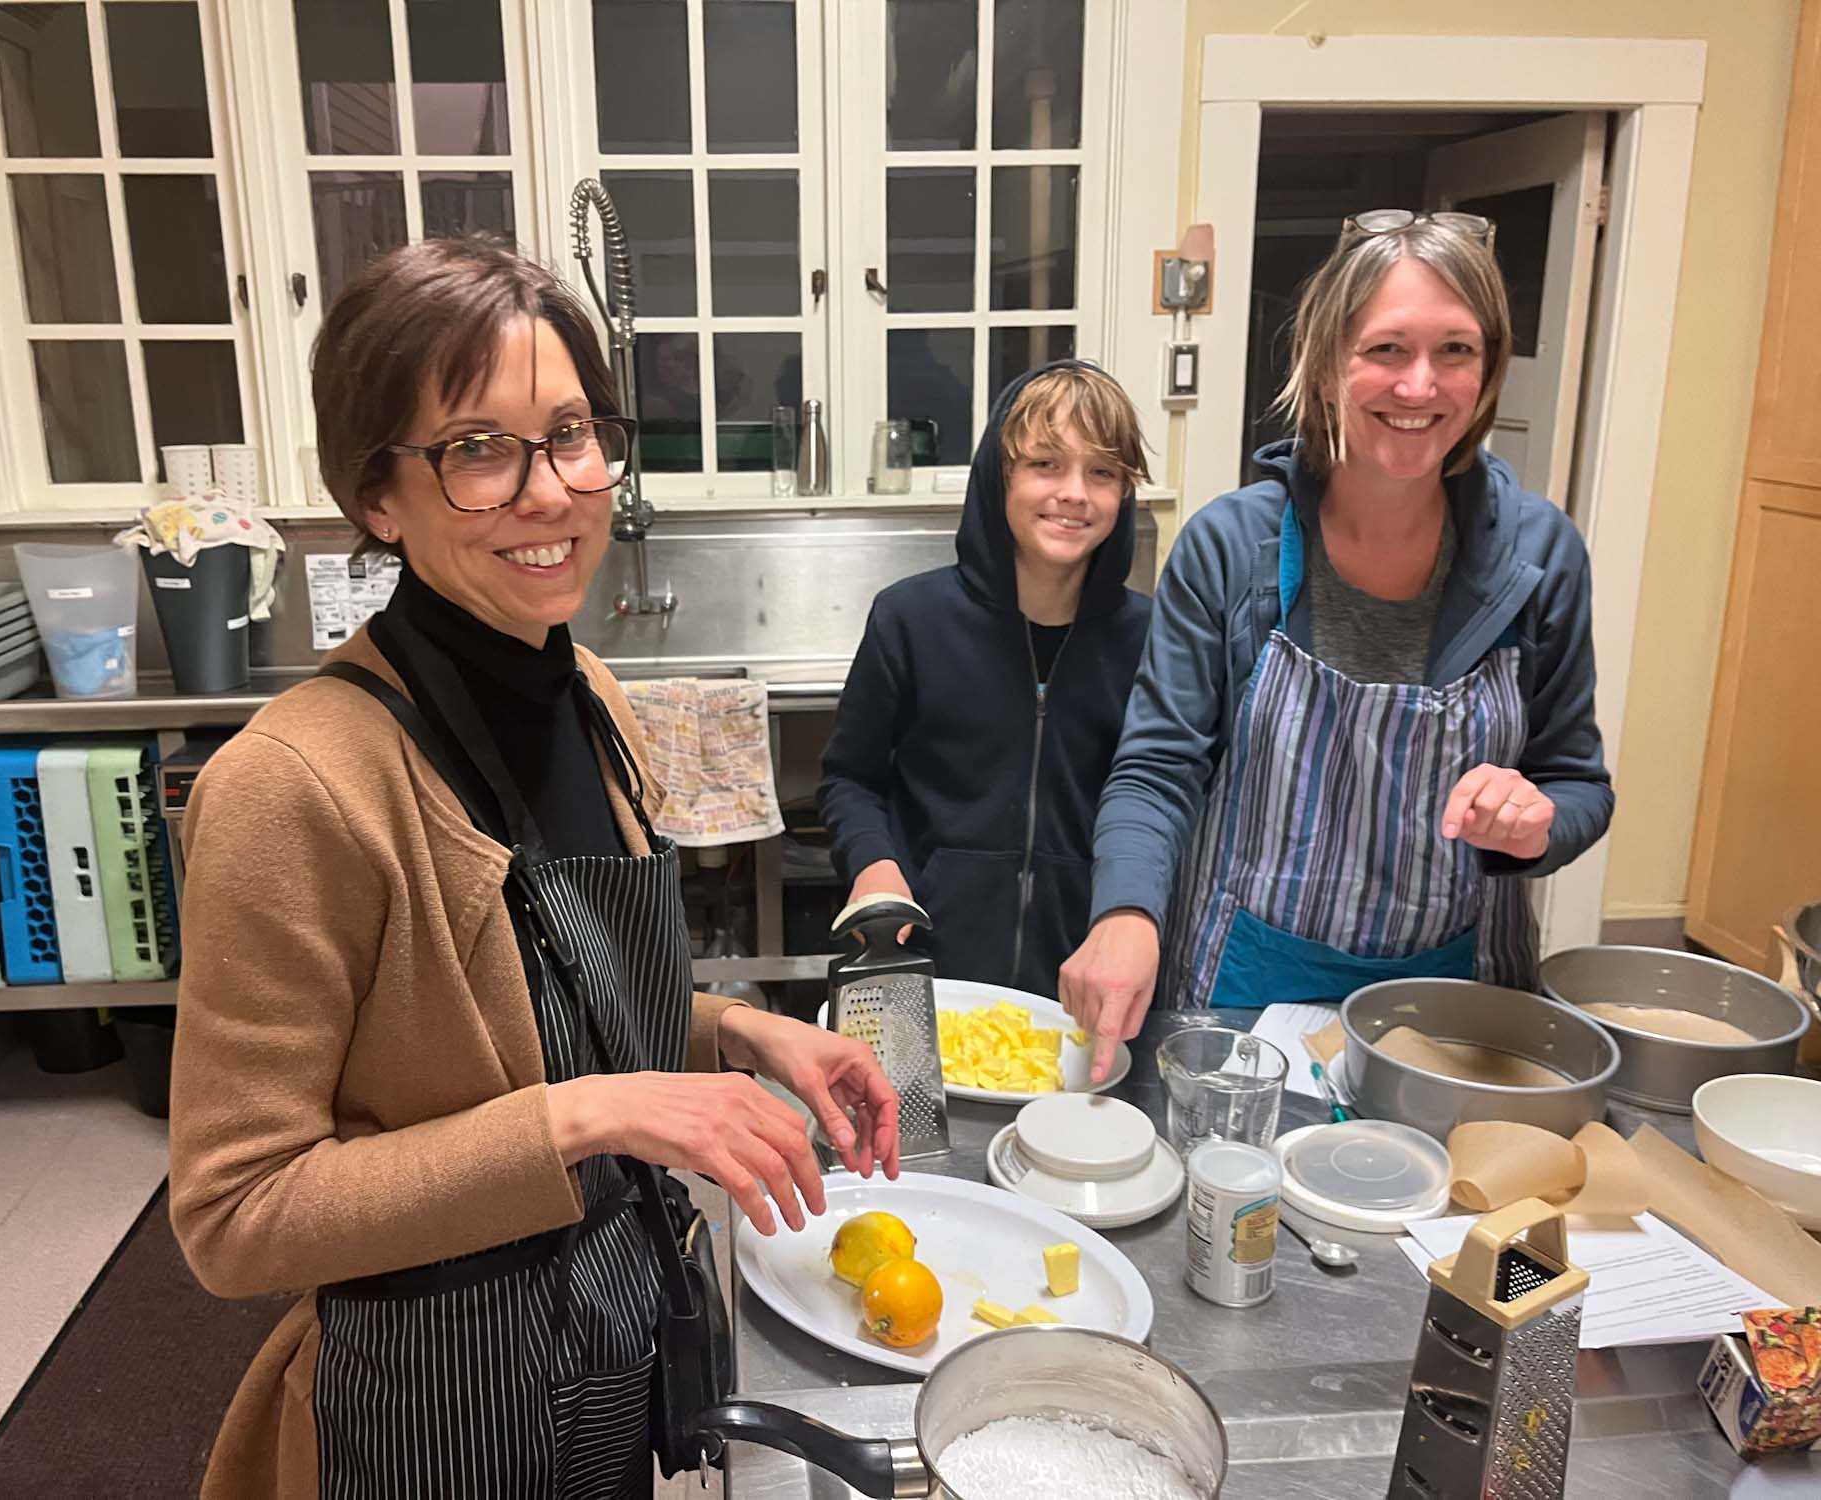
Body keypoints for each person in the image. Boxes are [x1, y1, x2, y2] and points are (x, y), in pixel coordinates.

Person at [167, 236, 900, 1500]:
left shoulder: (591, 700)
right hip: (431, 1396)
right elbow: (237, 1217)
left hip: (606, 1334)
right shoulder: (294, 785)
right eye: (475, 449)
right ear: (377, 495)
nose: (548, 491)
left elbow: (556, 1002)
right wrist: (595, 1116)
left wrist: (736, 1032)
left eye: (569, 434)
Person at [1060, 211, 1613, 1082]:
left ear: (1490, 369)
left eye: (1456, 351)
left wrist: (1536, 825)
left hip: (1458, 997)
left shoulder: (1541, 556)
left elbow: (1578, 782)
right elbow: (1158, 768)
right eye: (1386, 349)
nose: (1420, 385)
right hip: (1243, 983)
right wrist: (1125, 913)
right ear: (1325, 367)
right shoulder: (1231, 548)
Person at [818, 361, 1153, 997]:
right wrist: (874, 863)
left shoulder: (1153, 640)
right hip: (926, 964)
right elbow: (850, 778)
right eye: (1045, 464)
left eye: (1102, 472)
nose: (1074, 492)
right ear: (999, 476)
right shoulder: (910, 619)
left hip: (1080, 978)